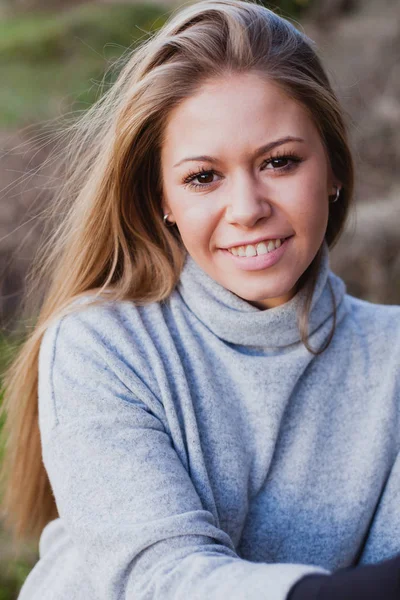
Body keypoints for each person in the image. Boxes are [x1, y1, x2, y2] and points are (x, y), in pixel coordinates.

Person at [1, 0, 400, 598]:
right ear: (162, 198)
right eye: (203, 177)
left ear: (335, 169)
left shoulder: (393, 357)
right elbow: (160, 579)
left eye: (280, 162)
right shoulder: (100, 347)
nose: (246, 209)